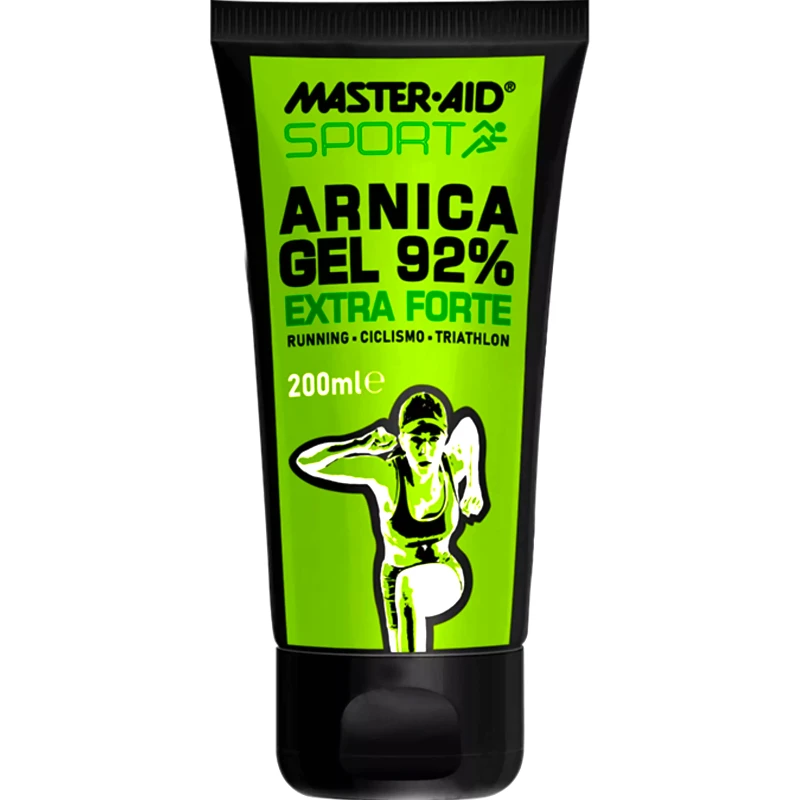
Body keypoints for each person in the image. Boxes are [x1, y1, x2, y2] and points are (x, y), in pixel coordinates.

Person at [294, 391, 487, 653]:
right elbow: (305, 462)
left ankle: (418, 677)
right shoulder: (385, 475)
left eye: (433, 439)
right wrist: (359, 444)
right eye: (416, 439)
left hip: (445, 573)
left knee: (410, 586)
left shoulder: (450, 465)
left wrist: (474, 484)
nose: (425, 450)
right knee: (400, 655)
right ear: (402, 440)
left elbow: (467, 426)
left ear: (443, 439)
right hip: (394, 584)